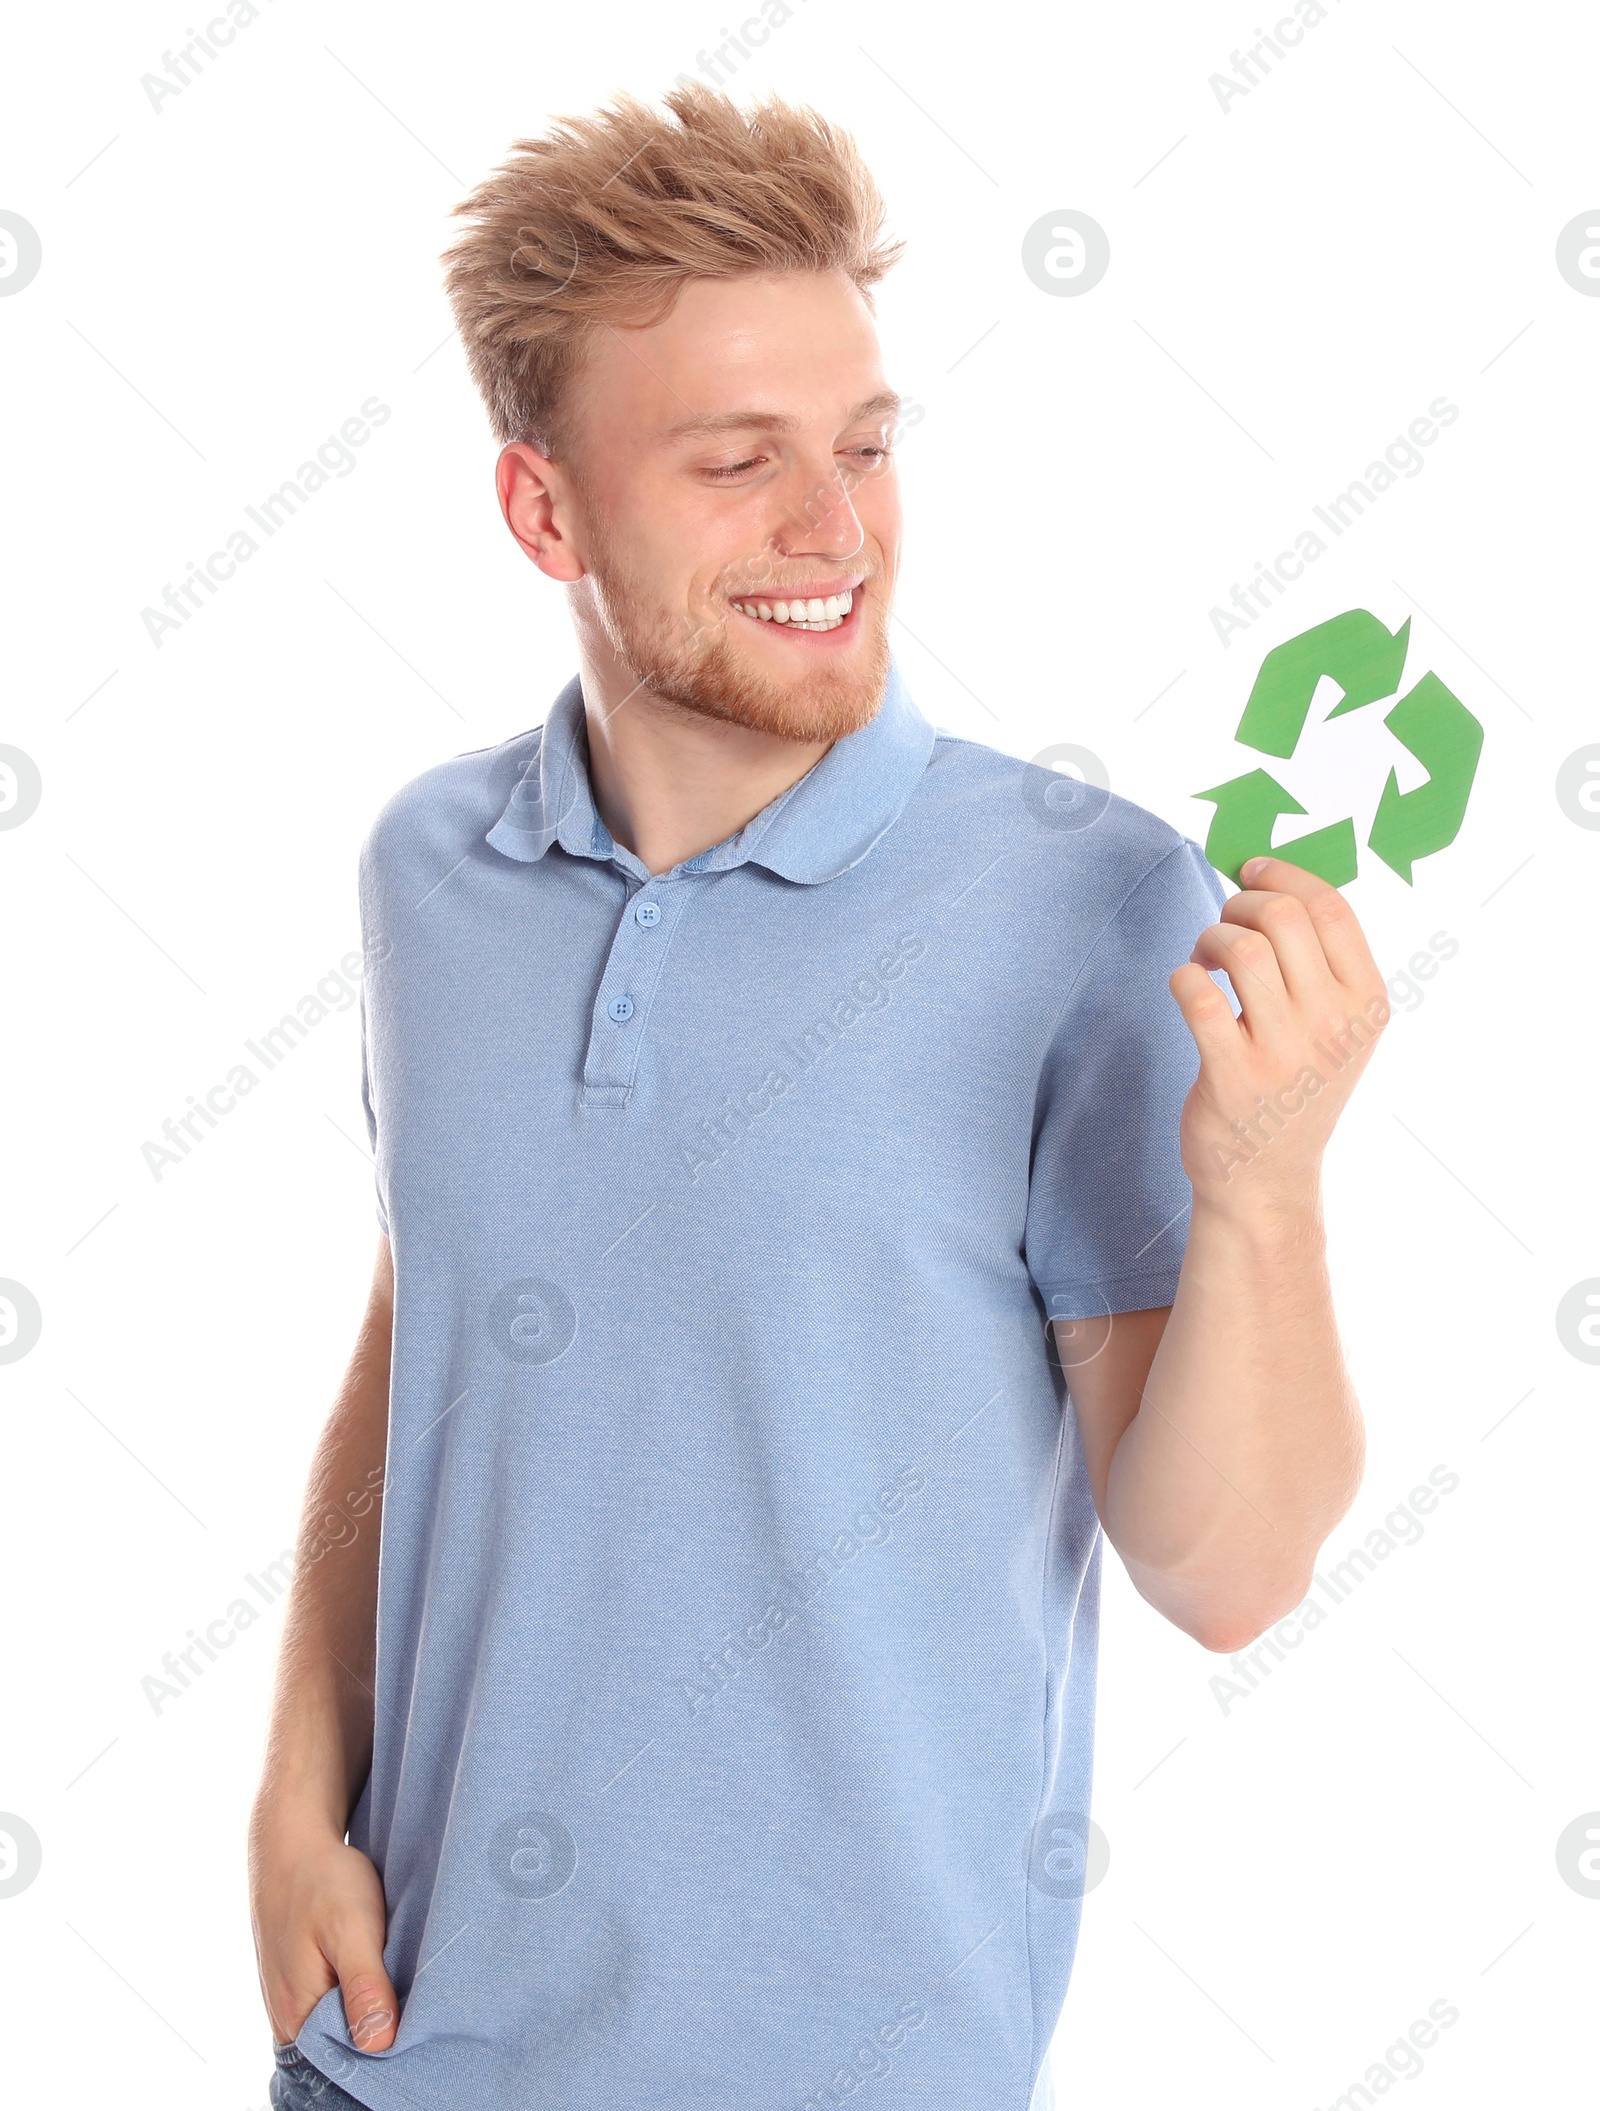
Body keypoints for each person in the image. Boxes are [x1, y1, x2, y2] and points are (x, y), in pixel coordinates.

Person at [249, 81, 1386, 2111]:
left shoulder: (1082, 900)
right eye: (734, 464)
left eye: (861, 448)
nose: (831, 530)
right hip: (396, 2059)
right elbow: (434, 1316)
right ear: (543, 514)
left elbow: (1225, 1577)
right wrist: (290, 1789)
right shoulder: (432, 873)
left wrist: (1264, 1190)